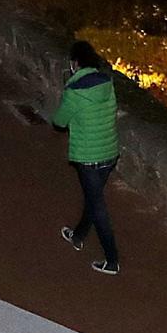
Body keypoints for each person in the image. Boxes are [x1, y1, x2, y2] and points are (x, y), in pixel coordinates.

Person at [52, 38, 120, 275]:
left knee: (97, 206)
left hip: (88, 157)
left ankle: (112, 260)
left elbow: (59, 121)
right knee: (94, 199)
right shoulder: (107, 83)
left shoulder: (74, 91)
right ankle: (78, 235)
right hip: (109, 153)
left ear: (75, 64)